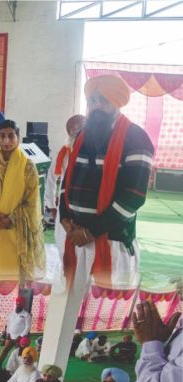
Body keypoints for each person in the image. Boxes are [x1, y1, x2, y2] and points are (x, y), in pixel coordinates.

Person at [59, 75, 154, 292]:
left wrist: (90, 231)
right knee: (73, 305)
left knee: (105, 307)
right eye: (92, 101)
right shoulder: (82, 136)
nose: (97, 106)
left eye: (103, 100)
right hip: (77, 241)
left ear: (117, 102)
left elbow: (133, 198)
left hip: (111, 243)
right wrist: (64, 218)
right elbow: (67, 182)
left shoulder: (136, 138)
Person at [0, 119, 46, 282]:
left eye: (11, 136)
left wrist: (10, 219)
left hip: (15, 232)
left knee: (11, 283)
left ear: (18, 138)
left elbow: (31, 203)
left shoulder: (28, 167)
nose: (6, 141)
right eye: (2, 136)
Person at [44, 114, 85, 229]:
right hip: (65, 205)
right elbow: (51, 179)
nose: (76, 131)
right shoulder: (64, 153)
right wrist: (52, 206)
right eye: (73, 129)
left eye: (80, 128)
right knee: (63, 236)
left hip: (85, 206)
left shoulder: (96, 152)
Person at [0, 296, 32, 366]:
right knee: (4, 350)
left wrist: (20, 336)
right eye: (17, 304)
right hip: (10, 337)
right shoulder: (12, 313)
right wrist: (8, 333)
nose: (17, 306)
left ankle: (18, 368)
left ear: (23, 305)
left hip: (20, 339)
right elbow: (9, 324)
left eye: (19, 305)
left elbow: (27, 327)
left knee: (19, 354)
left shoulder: (27, 315)